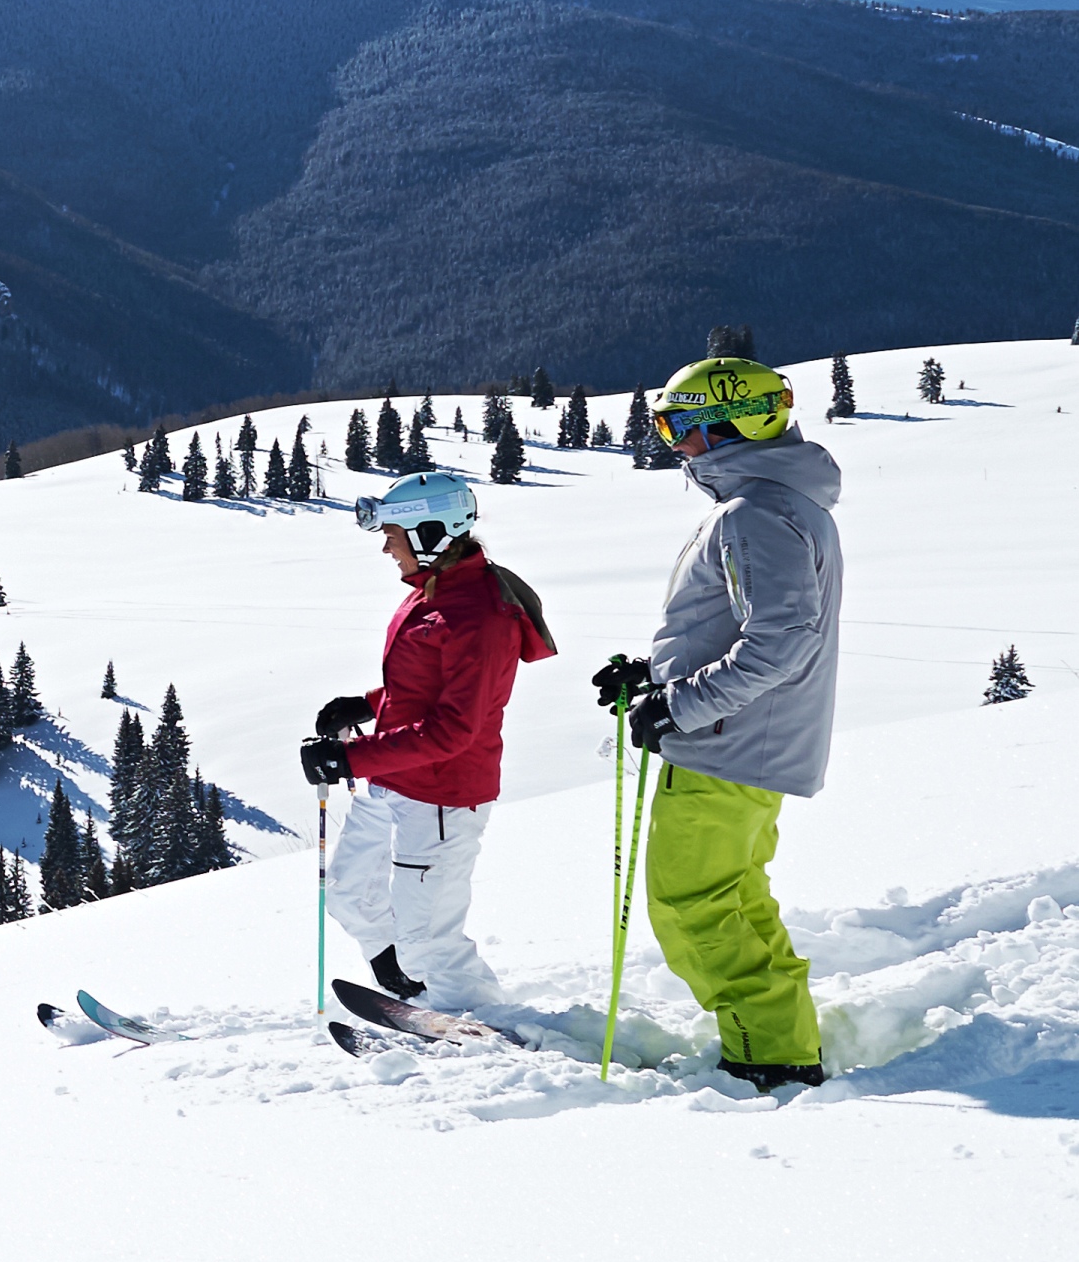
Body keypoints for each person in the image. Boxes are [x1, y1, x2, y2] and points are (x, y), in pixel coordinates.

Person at [589, 349, 844, 1092]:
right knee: (735, 897)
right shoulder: (781, 503)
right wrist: (656, 678)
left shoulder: (756, 513)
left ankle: (769, 1059)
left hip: (726, 749)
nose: (674, 446)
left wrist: (681, 706)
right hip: (747, 743)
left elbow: (780, 641)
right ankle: (782, 1039)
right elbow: (749, 627)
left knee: (691, 904)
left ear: (729, 428)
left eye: (681, 428)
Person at [302, 467, 557, 1009]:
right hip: (394, 778)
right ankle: (411, 989)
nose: (387, 549)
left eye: (392, 536)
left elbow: (454, 729)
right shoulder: (432, 591)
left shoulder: (481, 615)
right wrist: (367, 705)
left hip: (441, 795)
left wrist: (350, 759)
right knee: (349, 893)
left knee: (429, 942)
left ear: (429, 533)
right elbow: (423, 686)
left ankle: (485, 1022)